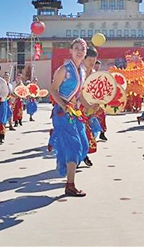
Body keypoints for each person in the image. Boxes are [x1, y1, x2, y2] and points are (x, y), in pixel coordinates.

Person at [49, 38, 90, 197]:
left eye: (83, 48)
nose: (80, 51)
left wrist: (90, 106)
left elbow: (79, 95)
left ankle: (67, 169)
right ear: (71, 51)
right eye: (77, 48)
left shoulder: (82, 71)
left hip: (75, 113)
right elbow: (53, 90)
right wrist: (65, 106)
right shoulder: (64, 69)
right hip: (63, 113)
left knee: (84, 145)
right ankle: (70, 185)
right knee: (74, 146)